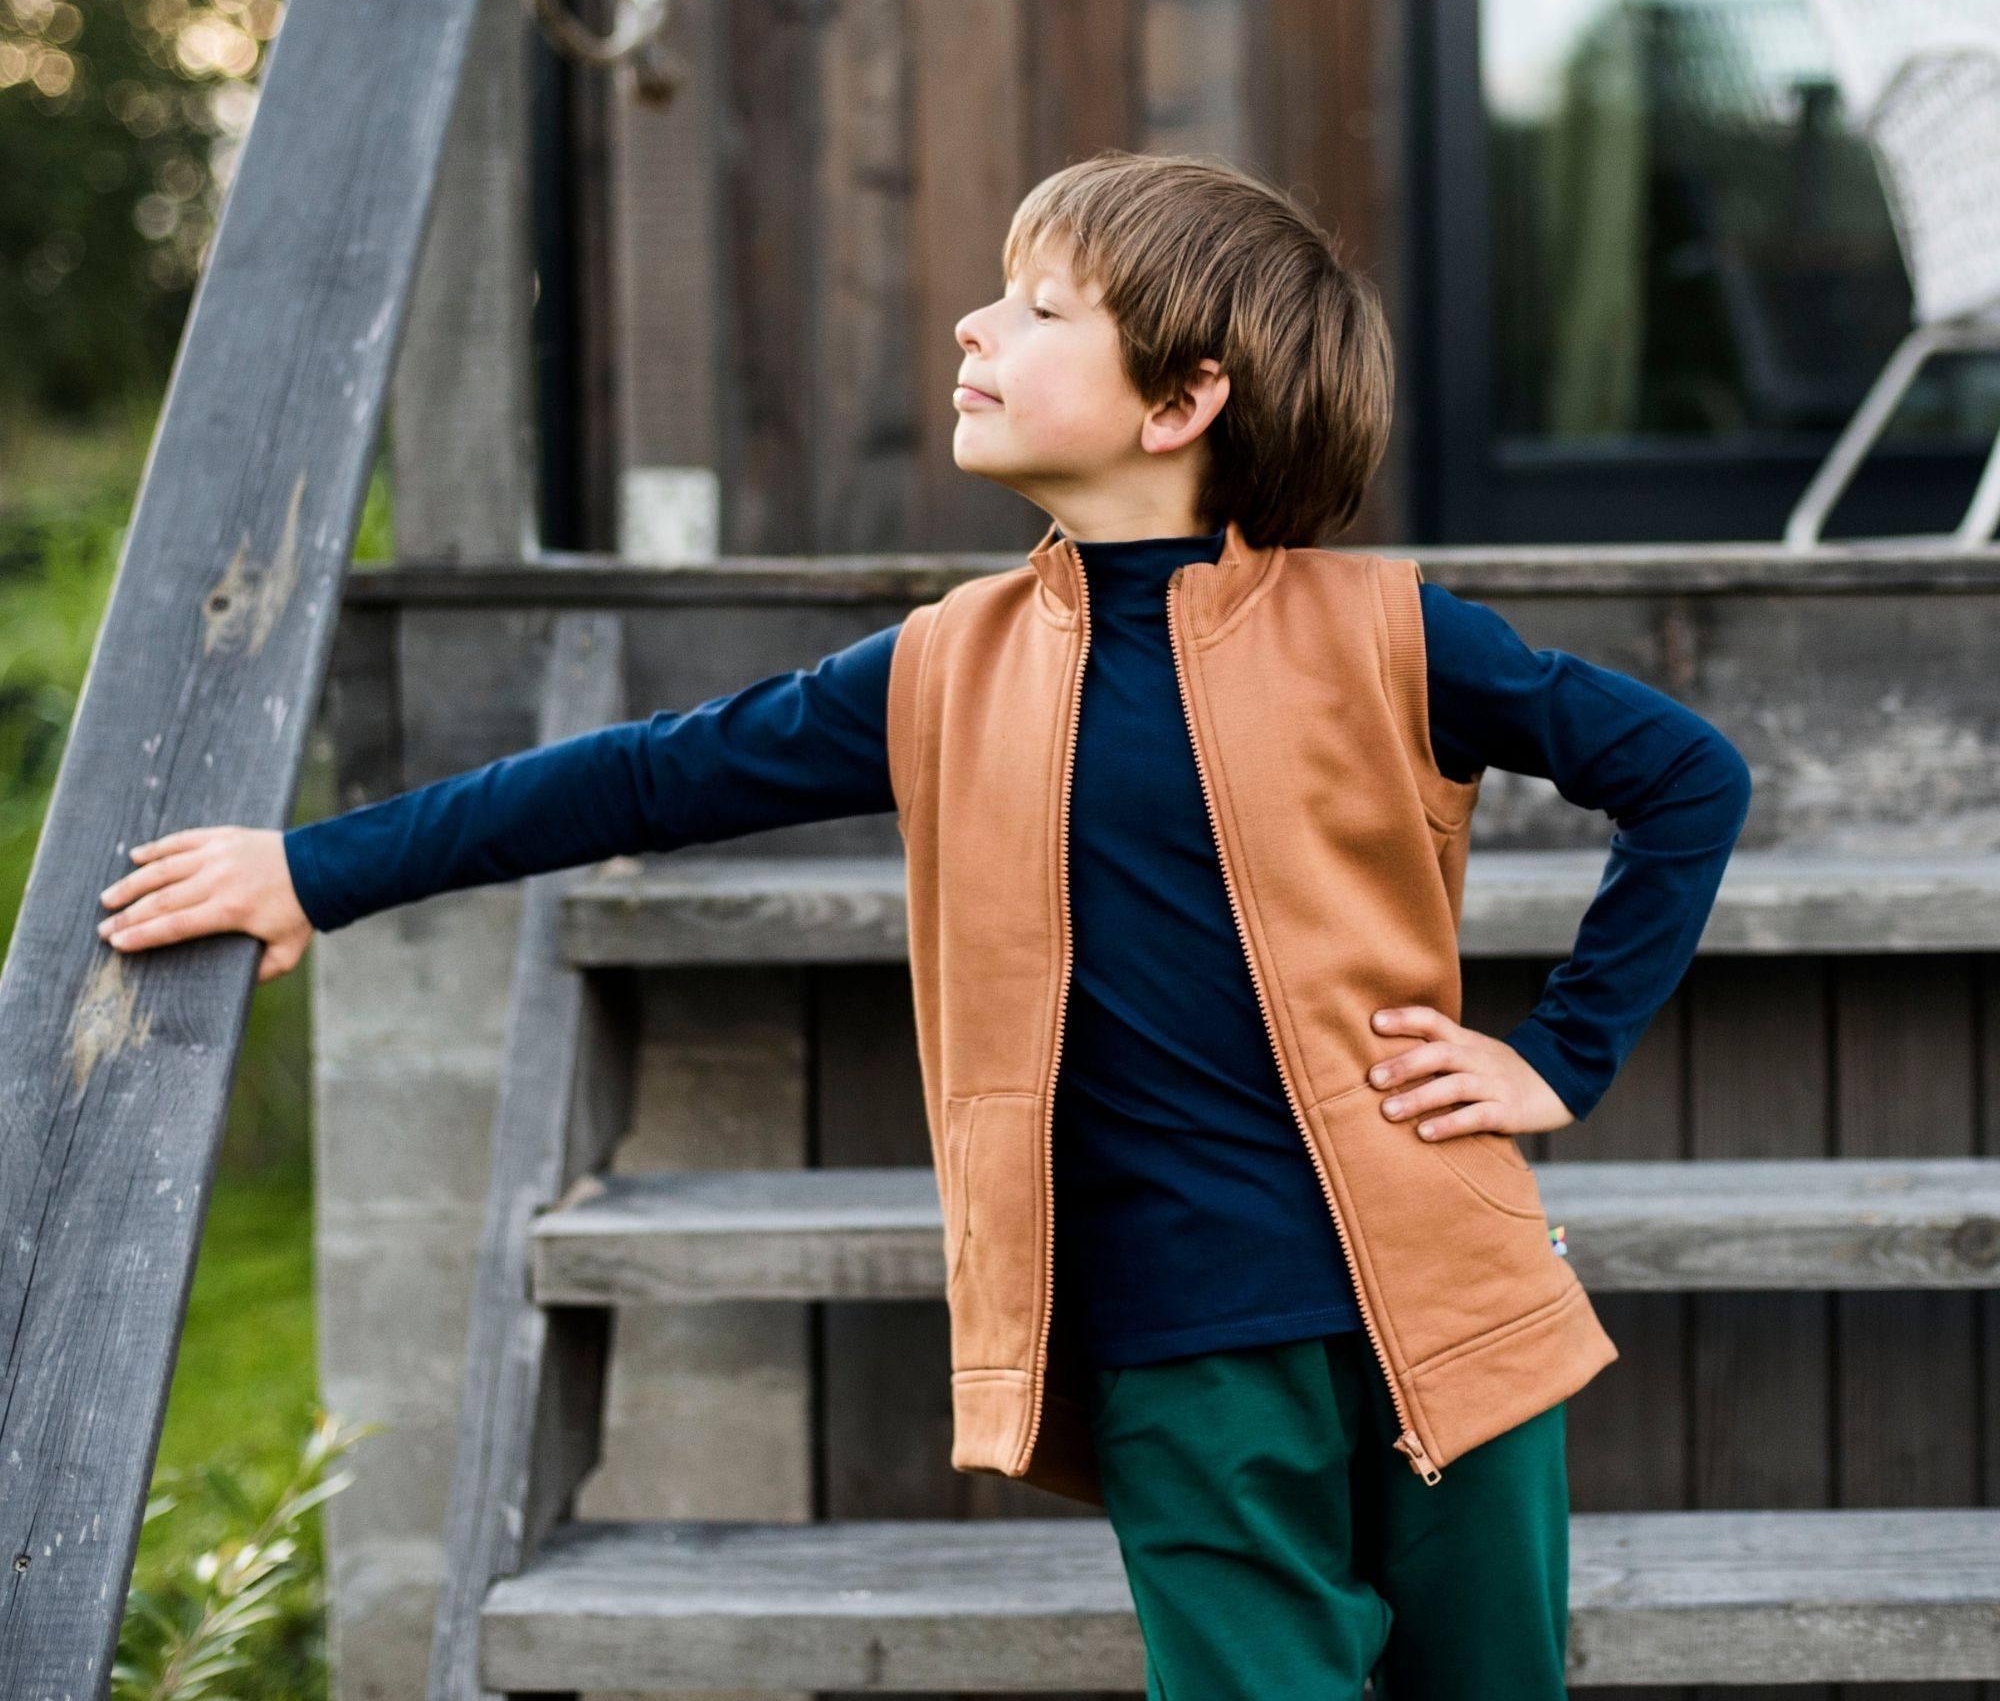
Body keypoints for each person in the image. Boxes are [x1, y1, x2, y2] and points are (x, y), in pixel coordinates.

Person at [96, 148, 1751, 1698]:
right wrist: (318, 869)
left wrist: (1558, 1055)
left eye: (1040, 308)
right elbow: (639, 781)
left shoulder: (1388, 632)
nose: (975, 324)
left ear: (1185, 398)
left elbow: (1687, 778)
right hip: (1179, 1340)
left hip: (1452, 1307)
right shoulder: (941, 667)